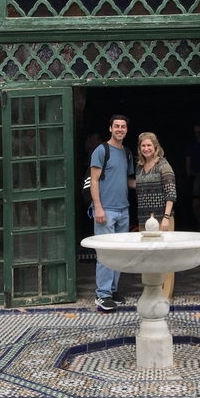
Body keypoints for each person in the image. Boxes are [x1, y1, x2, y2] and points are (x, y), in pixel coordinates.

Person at [90, 114, 136, 312]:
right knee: (106, 253)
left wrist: (152, 184)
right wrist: (98, 207)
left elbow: (128, 181)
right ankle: (103, 294)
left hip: (123, 210)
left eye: (123, 126)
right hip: (106, 210)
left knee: (119, 253)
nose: (120, 129)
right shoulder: (101, 151)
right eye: (116, 126)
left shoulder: (127, 153)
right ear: (110, 128)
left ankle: (113, 290)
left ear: (126, 130)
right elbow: (94, 180)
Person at [136, 132, 176, 230]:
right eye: (143, 146)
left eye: (149, 145)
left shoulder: (163, 164)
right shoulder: (139, 167)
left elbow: (171, 193)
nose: (146, 148)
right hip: (144, 219)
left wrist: (166, 217)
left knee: (164, 245)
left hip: (161, 218)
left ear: (155, 147)